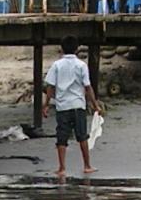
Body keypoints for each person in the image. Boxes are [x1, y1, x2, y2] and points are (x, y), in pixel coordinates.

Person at [41, 39, 104, 177]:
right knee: (82, 136)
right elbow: (87, 87)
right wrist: (95, 105)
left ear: (62, 49)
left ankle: (62, 168)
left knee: (62, 137)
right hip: (77, 105)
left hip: (62, 106)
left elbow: (50, 86)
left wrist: (46, 105)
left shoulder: (57, 65)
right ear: (77, 49)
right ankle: (87, 166)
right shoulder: (81, 65)